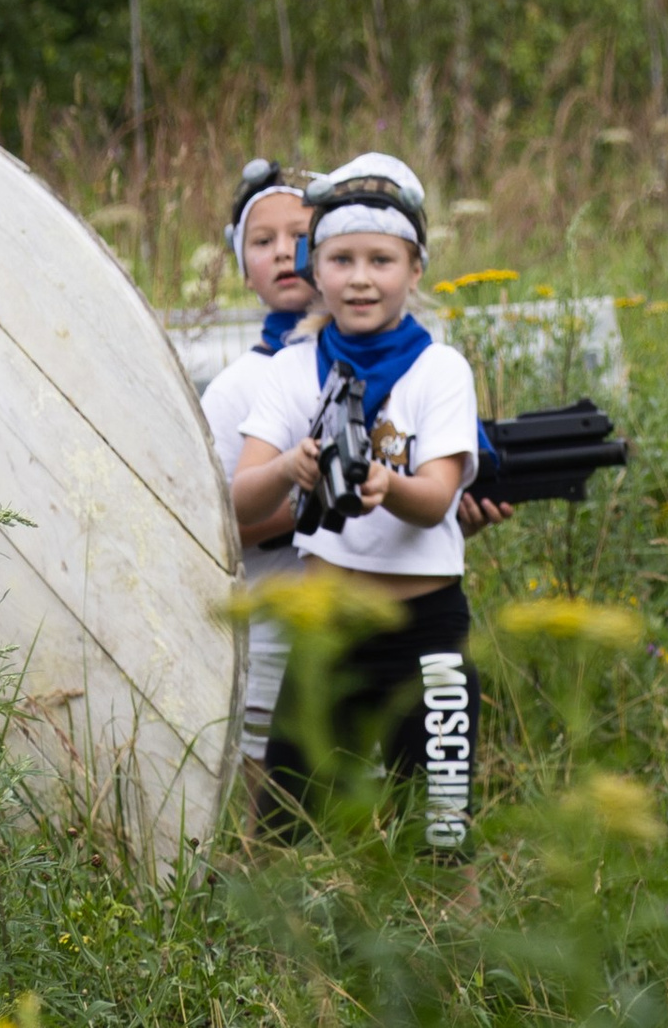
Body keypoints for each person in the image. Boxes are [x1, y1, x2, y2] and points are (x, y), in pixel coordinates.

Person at [232, 152, 485, 851]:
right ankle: (271, 960)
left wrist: (386, 485)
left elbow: (436, 499)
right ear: (317, 271)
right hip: (329, 630)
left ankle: (452, 958)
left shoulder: (440, 370)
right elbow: (241, 500)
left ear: (414, 269)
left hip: (425, 633)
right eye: (342, 260)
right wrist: (292, 463)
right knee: (284, 822)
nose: (362, 279)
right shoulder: (292, 370)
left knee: (441, 831)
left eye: (381, 260)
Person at [200, 158, 321, 774]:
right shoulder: (232, 391)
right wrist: (316, 508)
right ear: (242, 267)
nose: (284, 252)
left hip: (363, 640)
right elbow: (209, 528)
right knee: (269, 830)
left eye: (301, 237)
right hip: (269, 643)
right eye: (263, 240)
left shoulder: (383, 366)